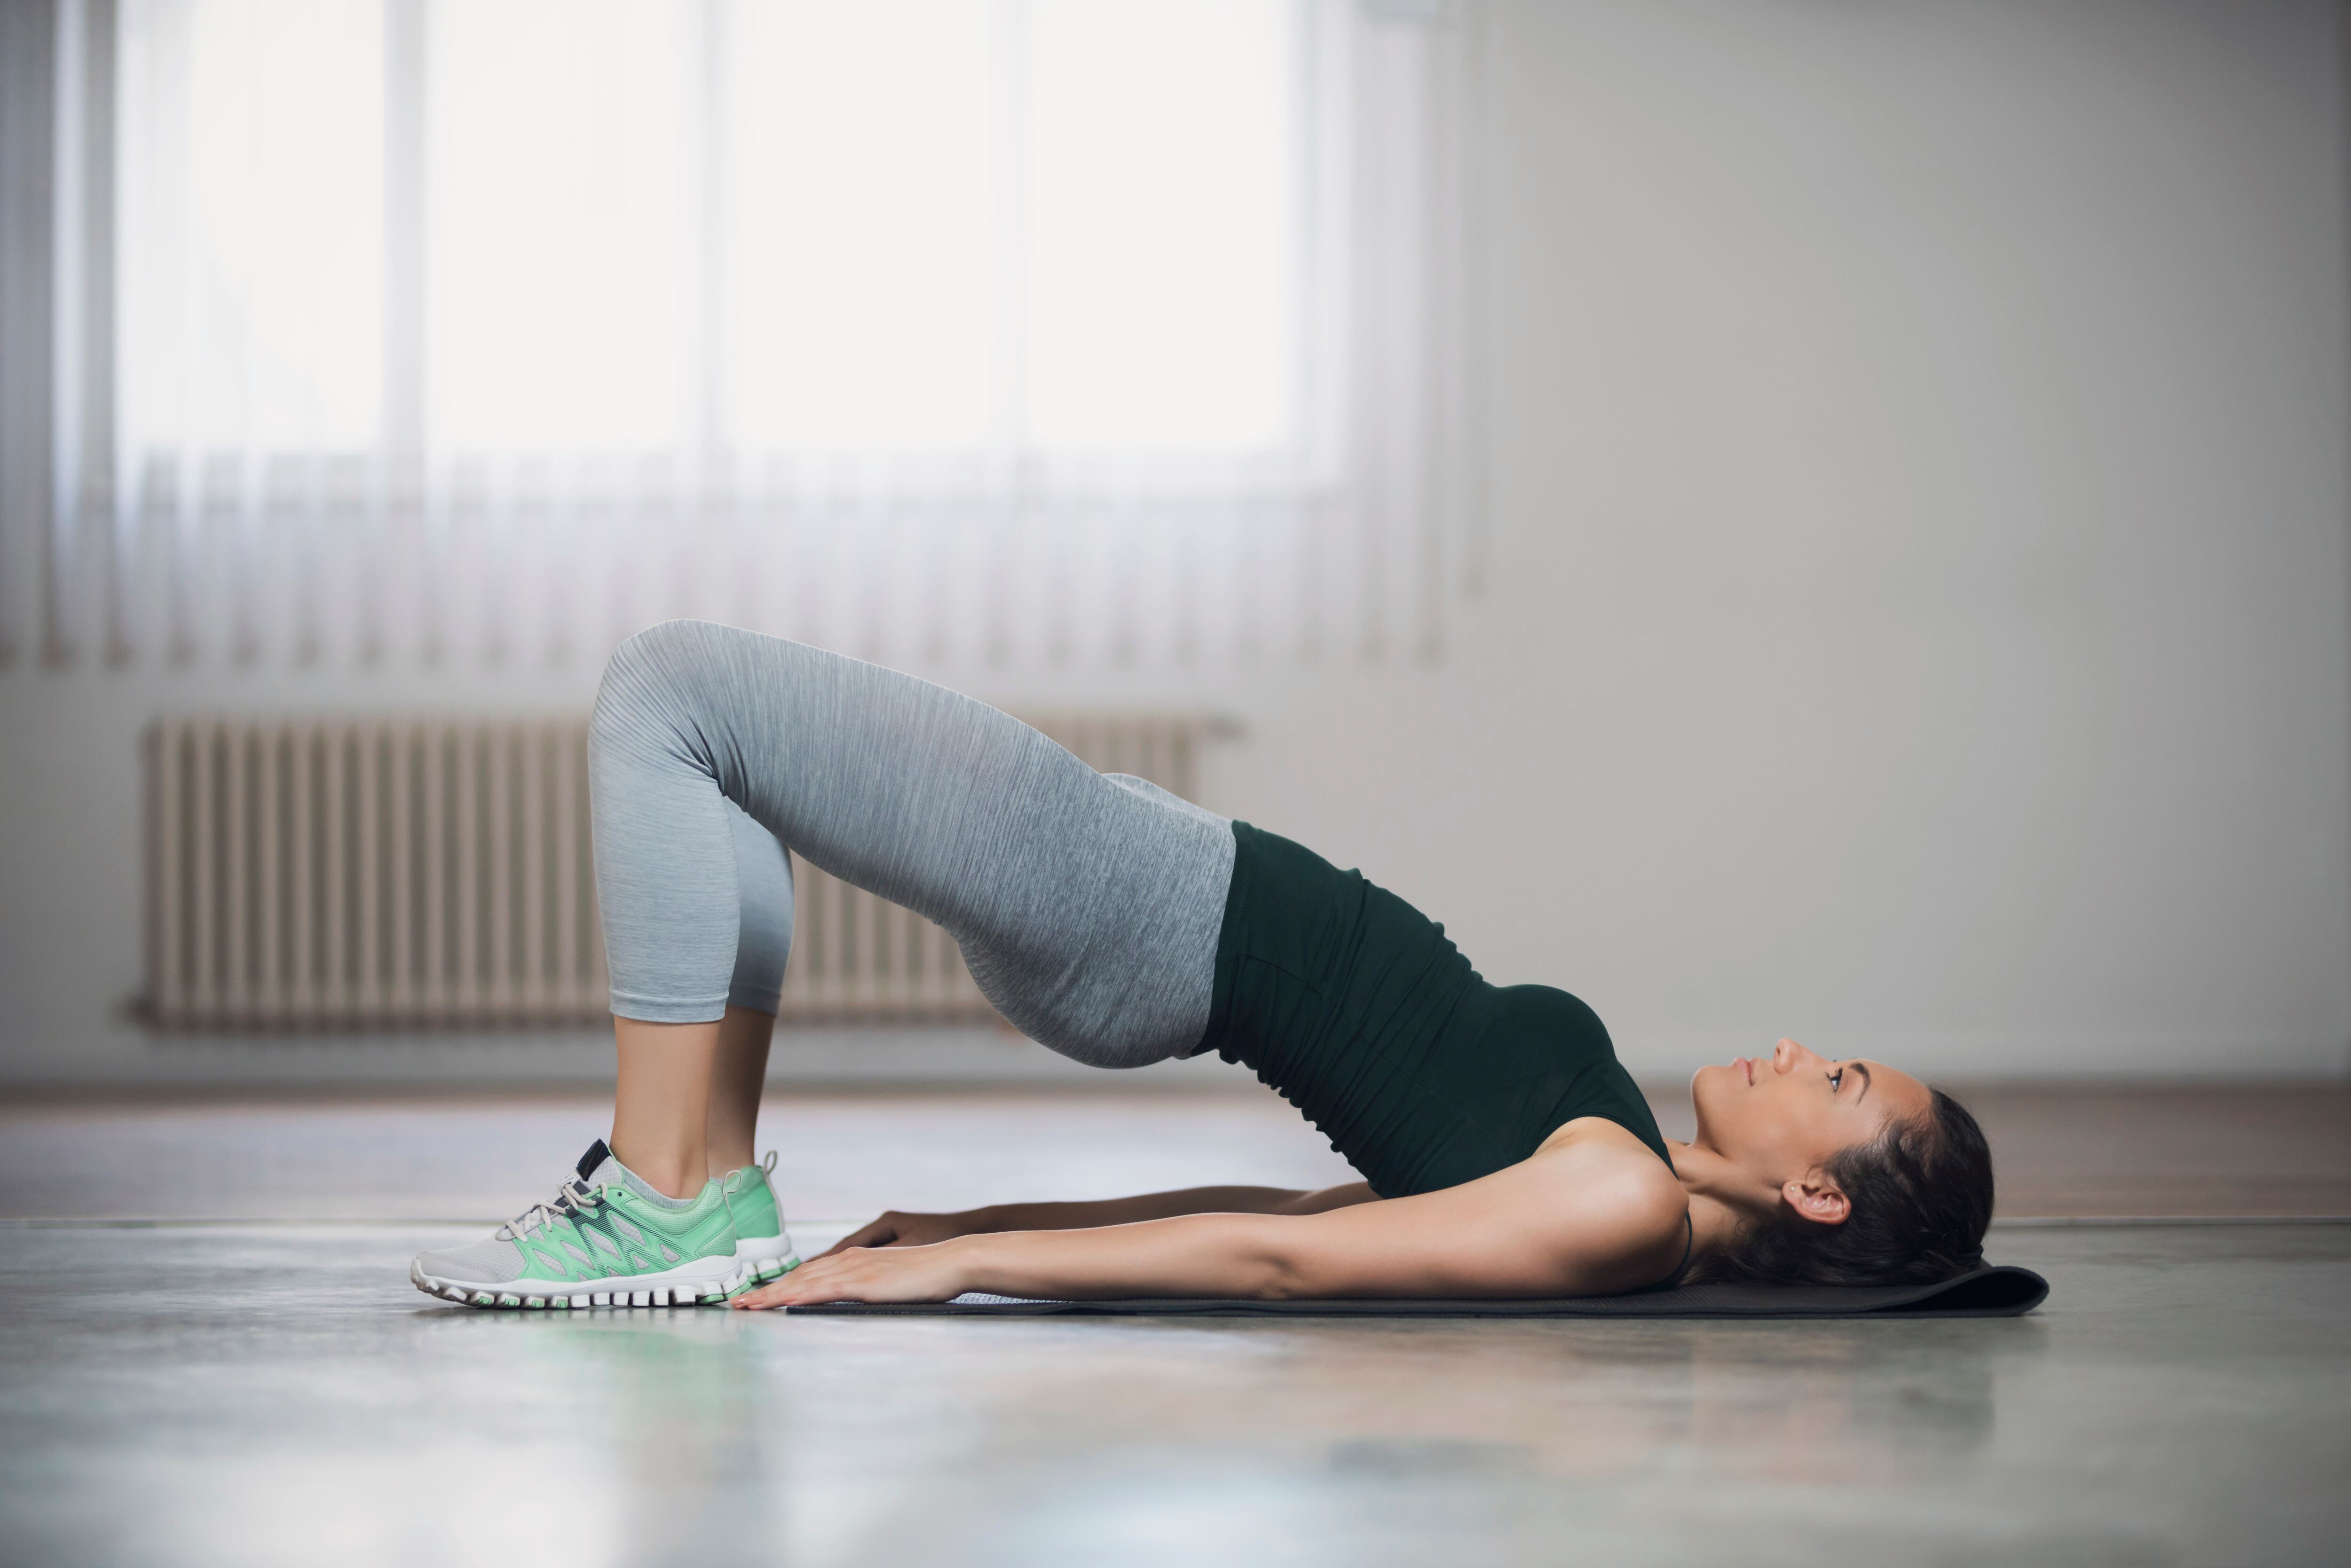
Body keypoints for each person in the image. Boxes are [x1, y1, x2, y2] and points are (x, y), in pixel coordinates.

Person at [409, 621, 1994, 1312]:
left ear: (1821, 1194)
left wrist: (959, 1275)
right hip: (1141, 890)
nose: (1803, 1051)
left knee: (672, 694)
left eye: (1841, 1082)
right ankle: (700, 1190)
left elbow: (1277, 1269)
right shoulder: (1620, 1178)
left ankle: (669, 1194)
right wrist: (969, 1225)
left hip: (1129, 903)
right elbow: (1308, 1219)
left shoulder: (1624, 1208)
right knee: (722, 763)